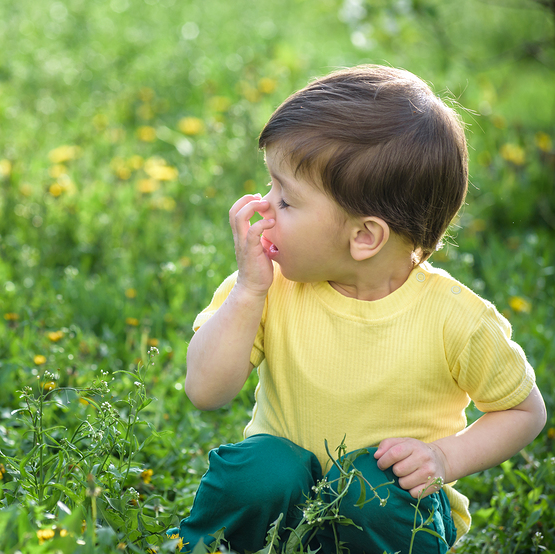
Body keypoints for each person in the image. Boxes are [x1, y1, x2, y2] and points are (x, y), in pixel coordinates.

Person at [173, 65, 547, 553]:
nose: (263, 208)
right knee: (263, 469)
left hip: (390, 518)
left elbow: (524, 411)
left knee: (371, 483)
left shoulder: (454, 319)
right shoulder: (268, 289)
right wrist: (246, 294)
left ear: (364, 237)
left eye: (286, 200)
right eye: (270, 187)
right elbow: (205, 391)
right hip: (285, 508)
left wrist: (442, 458)